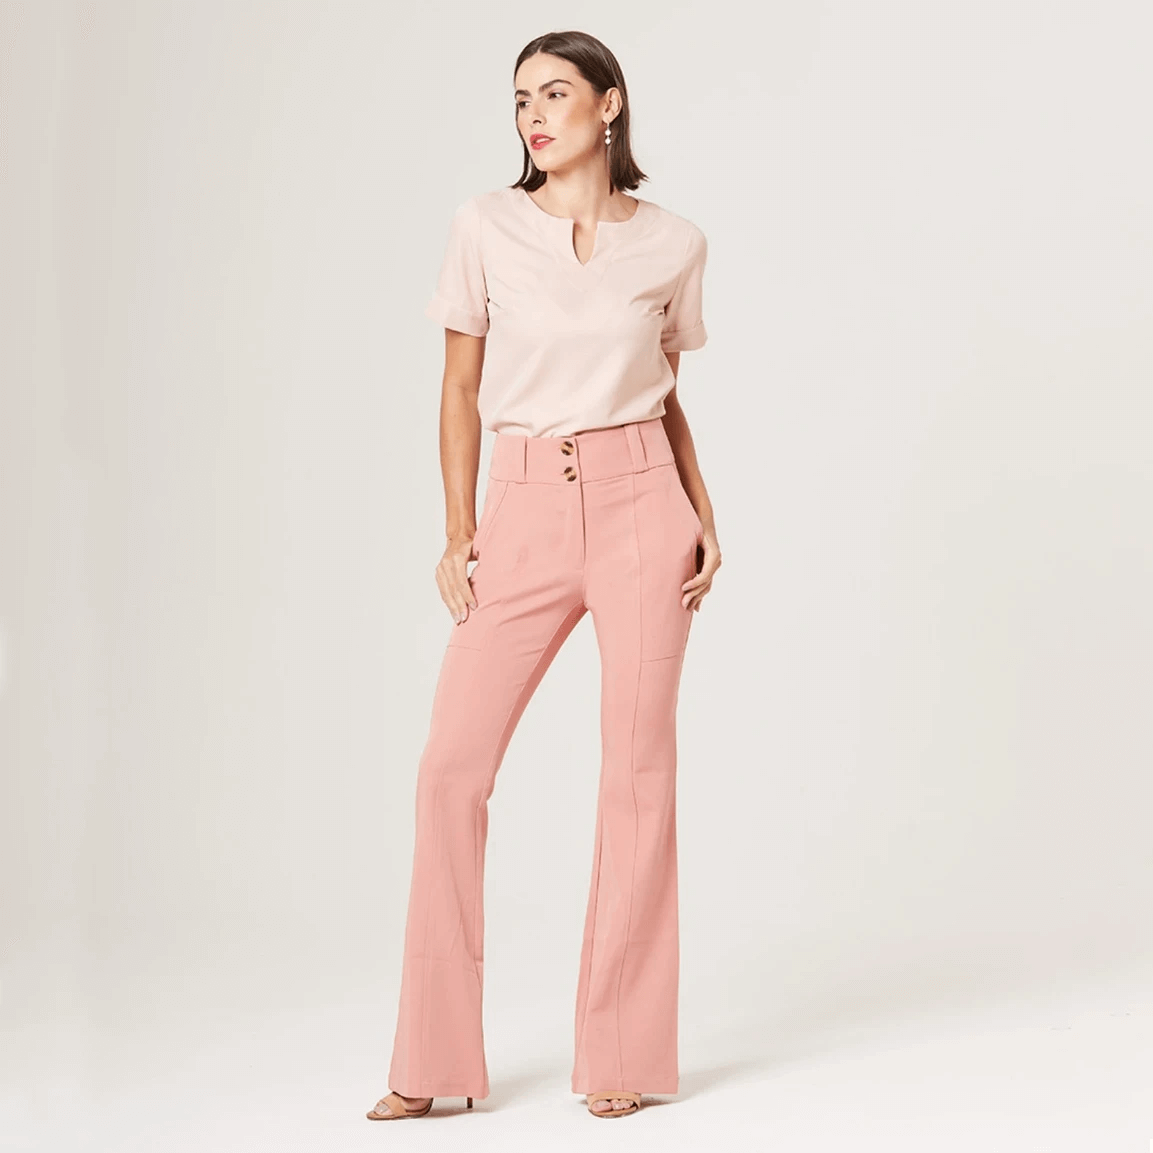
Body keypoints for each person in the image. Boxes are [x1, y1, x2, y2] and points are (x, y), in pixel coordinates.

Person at [367, 29, 721, 1123]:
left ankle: (619, 1048)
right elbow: (458, 386)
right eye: (521, 98)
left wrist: (702, 510)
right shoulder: (485, 226)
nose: (533, 115)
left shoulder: (673, 243)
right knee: (450, 769)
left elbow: (661, 390)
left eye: (555, 93)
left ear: (608, 105)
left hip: (641, 504)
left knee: (637, 773)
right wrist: (456, 528)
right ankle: (430, 1058)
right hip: (520, 507)